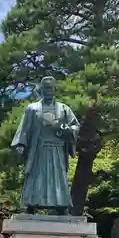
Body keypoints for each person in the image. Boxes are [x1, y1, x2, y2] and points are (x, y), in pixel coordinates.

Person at [11, 76, 79, 215]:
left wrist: (67, 130)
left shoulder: (63, 109)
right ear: (41, 90)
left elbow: (75, 126)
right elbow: (25, 128)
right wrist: (21, 144)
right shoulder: (32, 109)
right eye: (45, 88)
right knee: (36, 177)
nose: (48, 91)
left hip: (57, 149)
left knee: (58, 178)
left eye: (51, 88)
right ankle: (30, 205)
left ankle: (62, 205)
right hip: (38, 149)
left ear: (55, 89)